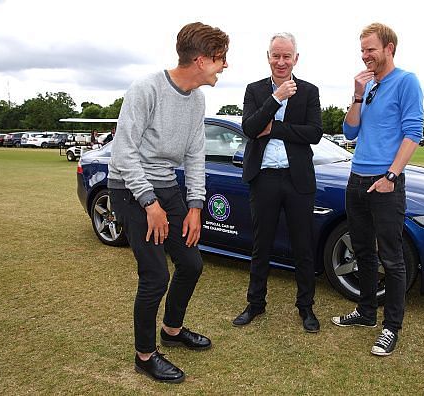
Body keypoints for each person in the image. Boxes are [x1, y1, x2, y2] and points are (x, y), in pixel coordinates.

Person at [107, 22, 229, 383]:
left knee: (191, 263)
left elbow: (194, 155)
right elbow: (124, 153)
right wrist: (149, 204)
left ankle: (171, 331)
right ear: (201, 60)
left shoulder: (199, 100)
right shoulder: (146, 89)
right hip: (130, 190)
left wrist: (194, 206)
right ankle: (145, 355)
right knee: (156, 275)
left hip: (166, 188)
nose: (225, 66)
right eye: (221, 59)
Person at [331, 23, 424, 356]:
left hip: (385, 182)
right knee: (363, 252)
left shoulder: (406, 82)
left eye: (370, 49)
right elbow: (350, 131)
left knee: (392, 258)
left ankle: (391, 327)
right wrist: (357, 94)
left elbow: (414, 132)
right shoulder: (368, 87)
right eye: (362, 50)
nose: (365, 55)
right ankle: (367, 312)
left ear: (389, 49)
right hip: (355, 179)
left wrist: (392, 176)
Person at [232, 32, 323, 333]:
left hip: (297, 180)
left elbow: (314, 133)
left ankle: (306, 308)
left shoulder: (309, 91)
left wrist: (274, 128)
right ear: (268, 57)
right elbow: (249, 127)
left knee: (303, 247)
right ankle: (255, 304)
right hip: (264, 179)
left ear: (296, 58)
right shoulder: (255, 90)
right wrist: (276, 98)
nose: (281, 61)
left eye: (287, 56)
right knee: (262, 244)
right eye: (276, 55)